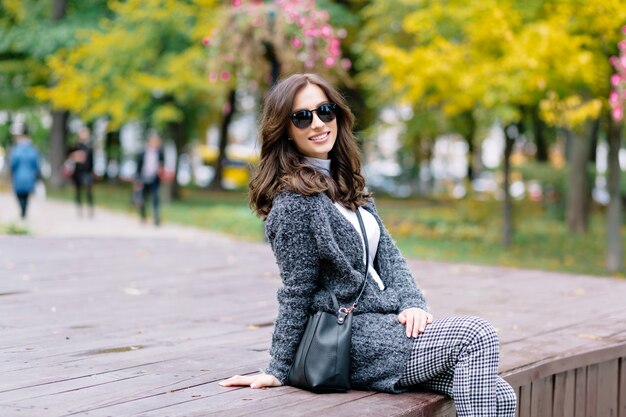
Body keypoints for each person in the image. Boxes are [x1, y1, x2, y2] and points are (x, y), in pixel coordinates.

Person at [219, 73, 517, 416]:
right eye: (302, 117)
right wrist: (276, 368)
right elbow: (295, 291)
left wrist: (412, 302)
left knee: (499, 394)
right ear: (284, 129)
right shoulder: (293, 203)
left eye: (325, 111)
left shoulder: (348, 187)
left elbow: (390, 257)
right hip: (351, 340)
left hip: (388, 327)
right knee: (476, 334)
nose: (317, 123)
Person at [9, 124, 40, 220]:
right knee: (26, 197)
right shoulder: (33, 150)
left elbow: (13, 164)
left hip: (19, 177)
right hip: (30, 177)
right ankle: (24, 212)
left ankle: (22, 213)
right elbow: (36, 165)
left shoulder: (16, 150)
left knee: (19, 196)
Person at [134, 131, 164, 226]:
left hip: (155, 178)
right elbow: (138, 166)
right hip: (144, 177)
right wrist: (137, 179)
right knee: (143, 197)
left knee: (155, 197)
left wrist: (160, 169)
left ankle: (156, 218)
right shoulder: (143, 152)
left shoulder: (160, 152)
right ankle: (143, 216)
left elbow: (162, 164)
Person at [67, 126, 95, 216]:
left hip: (87, 172)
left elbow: (92, 161)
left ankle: (90, 209)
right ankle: (79, 209)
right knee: (78, 191)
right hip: (77, 172)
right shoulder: (76, 146)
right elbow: (69, 156)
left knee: (88, 191)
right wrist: (75, 156)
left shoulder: (90, 147)